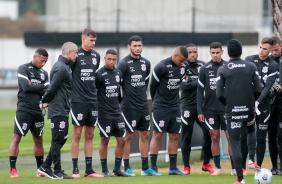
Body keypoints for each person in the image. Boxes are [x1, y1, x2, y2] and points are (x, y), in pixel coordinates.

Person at [216, 39, 261, 184]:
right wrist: (250, 101)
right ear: (241, 51)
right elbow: (259, 89)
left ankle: (240, 179)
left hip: (232, 112)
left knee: (235, 143)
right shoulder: (251, 66)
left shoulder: (223, 69)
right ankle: (251, 159)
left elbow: (218, 94)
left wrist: (228, 104)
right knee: (251, 130)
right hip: (248, 110)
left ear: (228, 52)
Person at [117, 35, 159, 176]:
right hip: (128, 106)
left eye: (139, 45)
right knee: (128, 136)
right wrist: (121, 101)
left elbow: (145, 83)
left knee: (145, 134)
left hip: (142, 105)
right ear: (129, 47)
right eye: (135, 46)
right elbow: (117, 84)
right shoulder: (123, 64)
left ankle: (145, 168)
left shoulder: (146, 63)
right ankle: (127, 167)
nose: (137, 48)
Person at [37, 42, 78, 179]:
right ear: (68, 53)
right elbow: (52, 87)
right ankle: (57, 171)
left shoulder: (65, 66)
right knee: (57, 139)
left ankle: (45, 166)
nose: (77, 56)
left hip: (63, 107)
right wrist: (44, 101)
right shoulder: (61, 67)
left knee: (62, 138)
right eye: (75, 53)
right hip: (58, 107)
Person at [9, 48, 49, 178]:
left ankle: (40, 170)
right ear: (35, 56)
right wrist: (42, 86)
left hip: (38, 111)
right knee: (17, 137)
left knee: (38, 140)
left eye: (45, 62)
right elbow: (26, 87)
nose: (43, 64)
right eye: (42, 61)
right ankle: (13, 170)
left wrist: (36, 87)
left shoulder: (44, 73)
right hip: (24, 109)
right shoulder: (23, 68)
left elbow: (47, 92)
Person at [69, 28, 103, 178]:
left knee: (90, 135)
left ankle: (89, 170)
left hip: (92, 101)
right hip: (78, 101)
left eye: (95, 41)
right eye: (91, 40)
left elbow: (93, 76)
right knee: (77, 134)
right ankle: (75, 169)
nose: (93, 43)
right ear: (83, 40)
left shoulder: (96, 56)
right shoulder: (75, 55)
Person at [149, 46, 188, 176]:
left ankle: (173, 168)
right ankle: (153, 168)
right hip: (161, 106)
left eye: (184, 61)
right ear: (175, 56)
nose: (182, 63)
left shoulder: (184, 67)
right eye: (181, 60)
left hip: (175, 106)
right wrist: (156, 101)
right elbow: (152, 85)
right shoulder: (161, 66)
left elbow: (182, 81)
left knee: (174, 135)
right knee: (158, 135)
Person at [197, 42, 234, 176]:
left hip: (226, 109)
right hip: (210, 109)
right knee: (214, 137)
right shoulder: (204, 68)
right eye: (213, 53)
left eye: (217, 52)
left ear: (222, 52)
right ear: (209, 52)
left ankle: (234, 168)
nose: (215, 55)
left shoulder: (228, 66)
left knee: (230, 137)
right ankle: (217, 168)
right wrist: (200, 111)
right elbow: (200, 92)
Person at [245, 37, 278, 168]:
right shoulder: (249, 60)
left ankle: (257, 165)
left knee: (261, 136)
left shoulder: (273, 65)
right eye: (260, 47)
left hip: (263, 104)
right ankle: (247, 162)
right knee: (247, 132)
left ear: (270, 51)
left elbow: (268, 87)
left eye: (265, 49)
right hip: (248, 102)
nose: (261, 51)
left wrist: (258, 102)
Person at [180, 43, 213, 175]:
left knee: (209, 132)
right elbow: (183, 86)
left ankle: (206, 163)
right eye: (190, 52)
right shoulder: (182, 66)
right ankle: (186, 167)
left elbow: (208, 83)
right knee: (186, 136)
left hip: (202, 107)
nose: (193, 54)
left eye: (195, 52)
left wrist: (193, 82)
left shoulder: (203, 66)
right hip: (187, 106)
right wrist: (200, 82)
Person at [96, 49, 129, 177]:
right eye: (109, 59)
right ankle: (104, 170)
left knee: (122, 140)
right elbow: (95, 93)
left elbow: (119, 92)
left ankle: (117, 169)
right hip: (104, 113)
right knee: (105, 139)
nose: (111, 62)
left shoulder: (118, 73)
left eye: (114, 59)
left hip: (117, 112)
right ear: (105, 59)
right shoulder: (99, 74)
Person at [268, 35, 282, 175]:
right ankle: (274, 167)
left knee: (281, 135)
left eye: (276, 50)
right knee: (271, 136)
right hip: (270, 103)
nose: (274, 53)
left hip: (281, 104)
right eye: (272, 50)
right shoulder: (268, 61)